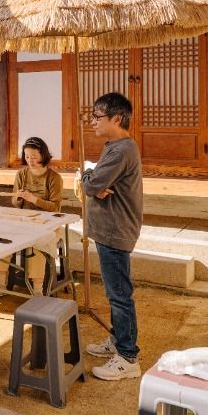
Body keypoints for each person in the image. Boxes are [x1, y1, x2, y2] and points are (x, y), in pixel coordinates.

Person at [80, 92, 143, 381]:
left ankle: (128, 357)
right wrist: (93, 180)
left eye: (98, 117)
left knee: (119, 295)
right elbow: (95, 183)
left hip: (115, 230)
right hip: (109, 229)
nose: (93, 122)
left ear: (116, 118)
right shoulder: (114, 147)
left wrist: (88, 178)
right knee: (115, 292)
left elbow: (91, 185)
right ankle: (118, 341)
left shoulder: (120, 151)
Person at [0, 137, 63, 299]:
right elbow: (15, 203)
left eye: (34, 157)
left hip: (48, 223)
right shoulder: (22, 173)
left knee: (37, 243)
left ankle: (37, 290)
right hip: (25, 220)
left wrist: (34, 199)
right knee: (3, 239)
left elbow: (55, 208)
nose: (30, 160)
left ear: (43, 155)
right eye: (27, 157)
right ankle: (0, 284)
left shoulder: (54, 178)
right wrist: (19, 197)